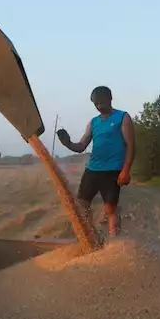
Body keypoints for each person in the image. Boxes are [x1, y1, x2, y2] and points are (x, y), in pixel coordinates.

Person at [57, 86, 134, 237]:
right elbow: (81, 147)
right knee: (82, 205)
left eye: (102, 103)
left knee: (110, 209)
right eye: (96, 104)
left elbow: (131, 145)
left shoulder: (122, 117)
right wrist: (67, 143)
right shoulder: (93, 122)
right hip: (92, 169)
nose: (99, 106)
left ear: (110, 99)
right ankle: (91, 238)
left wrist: (126, 170)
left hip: (113, 170)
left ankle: (115, 243)